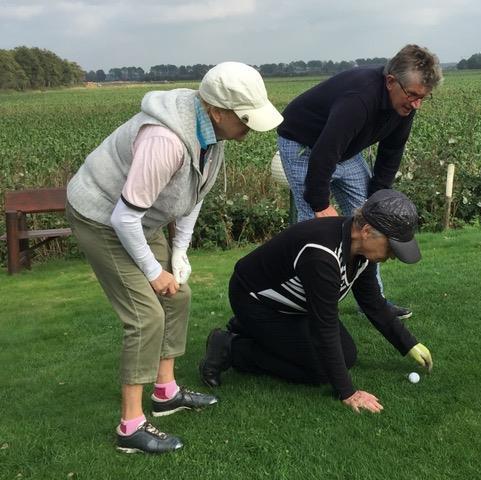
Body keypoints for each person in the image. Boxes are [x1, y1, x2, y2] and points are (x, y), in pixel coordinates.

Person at [66, 62, 283, 454]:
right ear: (217, 110)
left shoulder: (212, 136)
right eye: (246, 118)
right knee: (145, 315)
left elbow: (191, 199)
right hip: (101, 216)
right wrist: (152, 271)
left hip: (140, 220)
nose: (251, 128)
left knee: (177, 295)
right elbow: (123, 216)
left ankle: (164, 393)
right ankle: (130, 427)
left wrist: (178, 253)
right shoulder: (165, 141)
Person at [199, 189, 434, 413]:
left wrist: (408, 343)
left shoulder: (361, 252)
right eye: (391, 247)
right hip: (257, 303)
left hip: (295, 306)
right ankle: (232, 348)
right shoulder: (322, 254)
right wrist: (347, 392)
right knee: (320, 370)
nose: (392, 255)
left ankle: (248, 330)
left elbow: (372, 301)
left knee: (347, 356)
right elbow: (326, 326)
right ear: (367, 231)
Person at [276, 44, 443, 320]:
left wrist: (378, 198)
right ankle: (309, 308)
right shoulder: (359, 98)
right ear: (391, 81)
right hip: (304, 145)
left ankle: (373, 304)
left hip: (344, 150)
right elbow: (325, 150)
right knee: (314, 228)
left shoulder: (405, 106)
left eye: (423, 98)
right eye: (412, 95)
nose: (417, 104)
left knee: (373, 221)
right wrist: (319, 203)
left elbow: (391, 152)